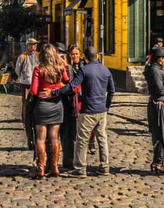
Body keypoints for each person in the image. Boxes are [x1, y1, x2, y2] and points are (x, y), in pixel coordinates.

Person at [48, 46, 115, 177]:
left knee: (82, 140)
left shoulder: (84, 70)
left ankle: (79, 168)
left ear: (85, 57)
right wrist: (107, 106)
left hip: (88, 110)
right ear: (97, 56)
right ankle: (104, 166)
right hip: (101, 110)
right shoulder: (106, 70)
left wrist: (55, 92)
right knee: (102, 138)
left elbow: (72, 86)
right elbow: (112, 90)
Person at [31, 44, 70, 178]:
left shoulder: (38, 69)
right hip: (57, 105)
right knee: (54, 137)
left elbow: (34, 90)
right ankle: (54, 167)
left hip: (42, 106)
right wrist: (56, 89)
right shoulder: (60, 68)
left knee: (40, 139)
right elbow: (68, 82)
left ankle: (40, 169)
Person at [144, 46, 164, 174]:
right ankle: (158, 162)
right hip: (158, 105)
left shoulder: (160, 69)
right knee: (161, 134)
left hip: (162, 104)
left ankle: (158, 161)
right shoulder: (155, 71)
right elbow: (159, 89)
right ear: (161, 59)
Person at [16, 38, 39, 133]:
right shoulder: (23, 56)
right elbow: (17, 69)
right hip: (26, 83)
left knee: (36, 102)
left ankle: (35, 121)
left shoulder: (38, 55)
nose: (33, 46)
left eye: (34, 44)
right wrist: (23, 77)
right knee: (26, 102)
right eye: (31, 44)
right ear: (27, 45)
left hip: (36, 82)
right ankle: (25, 122)